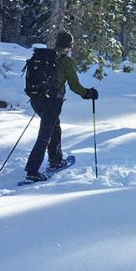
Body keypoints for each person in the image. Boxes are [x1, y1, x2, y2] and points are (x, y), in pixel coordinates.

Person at [24, 31, 97, 182]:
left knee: (55, 128)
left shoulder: (45, 56)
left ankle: (56, 159)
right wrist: (88, 93)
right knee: (45, 135)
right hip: (52, 102)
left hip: (36, 99)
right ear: (69, 46)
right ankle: (32, 171)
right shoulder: (66, 61)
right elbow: (75, 86)